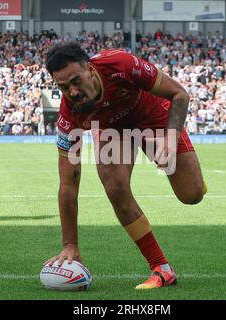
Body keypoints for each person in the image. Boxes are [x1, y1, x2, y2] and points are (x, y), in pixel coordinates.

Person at [44, 43, 207, 289]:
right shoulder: (70, 116)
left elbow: (180, 94)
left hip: (154, 116)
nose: (73, 92)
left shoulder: (120, 64)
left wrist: (170, 139)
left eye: (76, 81)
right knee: (114, 186)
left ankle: (195, 181)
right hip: (113, 130)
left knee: (192, 195)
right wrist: (70, 243)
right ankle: (161, 268)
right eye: (64, 87)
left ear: (90, 70)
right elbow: (68, 184)